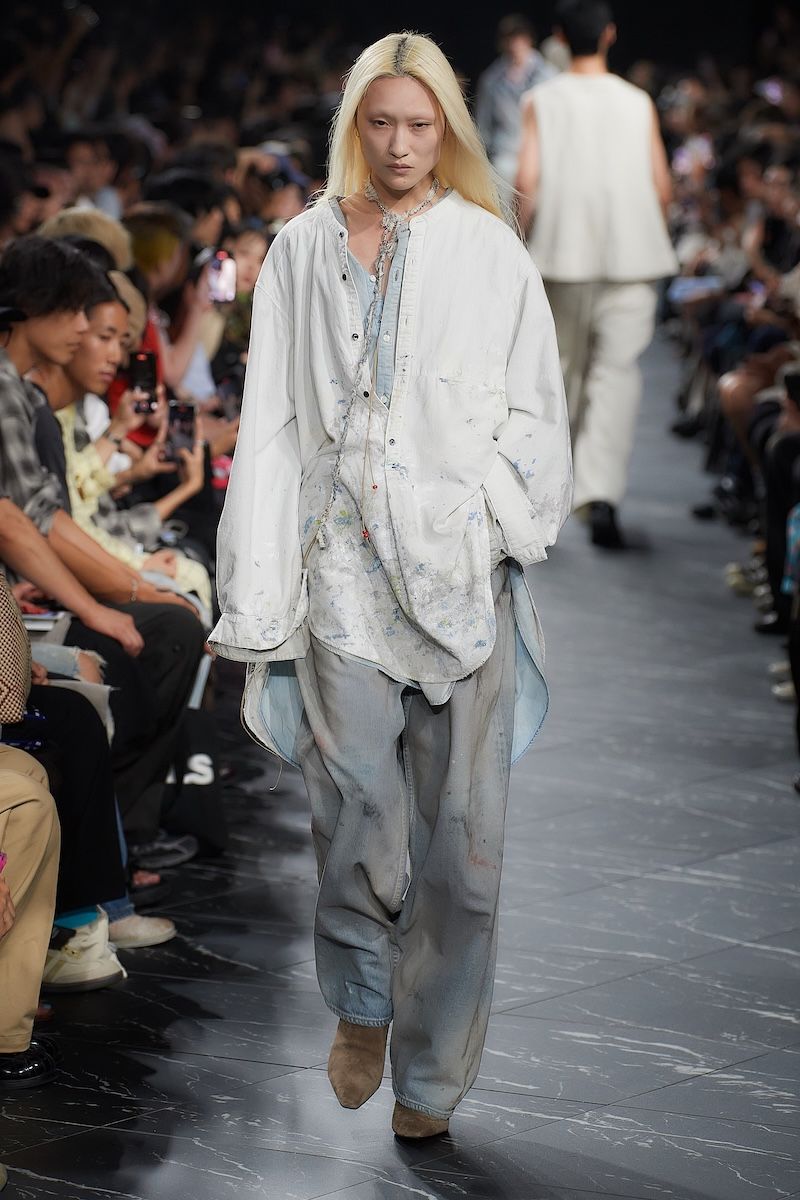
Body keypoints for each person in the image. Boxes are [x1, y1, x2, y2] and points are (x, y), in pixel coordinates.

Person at [211, 32, 571, 1138]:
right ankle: (363, 1002)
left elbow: (536, 406)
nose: (402, 144)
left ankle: (431, 1078)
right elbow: (271, 418)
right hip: (341, 573)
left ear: (447, 128)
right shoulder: (301, 247)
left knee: (463, 855)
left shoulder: (488, 250)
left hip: (460, 575)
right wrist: (257, 579)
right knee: (353, 815)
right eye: (382, 123)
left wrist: (493, 517)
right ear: (354, 126)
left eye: (421, 124)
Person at [516, 0, 677, 548]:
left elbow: (528, 181)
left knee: (558, 372)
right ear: (609, 34)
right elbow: (661, 184)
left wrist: (518, 242)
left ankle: (546, 492)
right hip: (631, 258)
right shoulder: (637, 101)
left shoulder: (541, 100)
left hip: (561, 254)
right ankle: (599, 494)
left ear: (560, 37)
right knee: (615, 373)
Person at [474, 14, 556, 211]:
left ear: (529, 40)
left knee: (541, 211)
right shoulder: (492, 80)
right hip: (505, 155)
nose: (515, 45)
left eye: (520, 38)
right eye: (510, 39)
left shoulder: (549, 77)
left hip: (542, 154)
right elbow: (483, 126)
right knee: (503, 210)